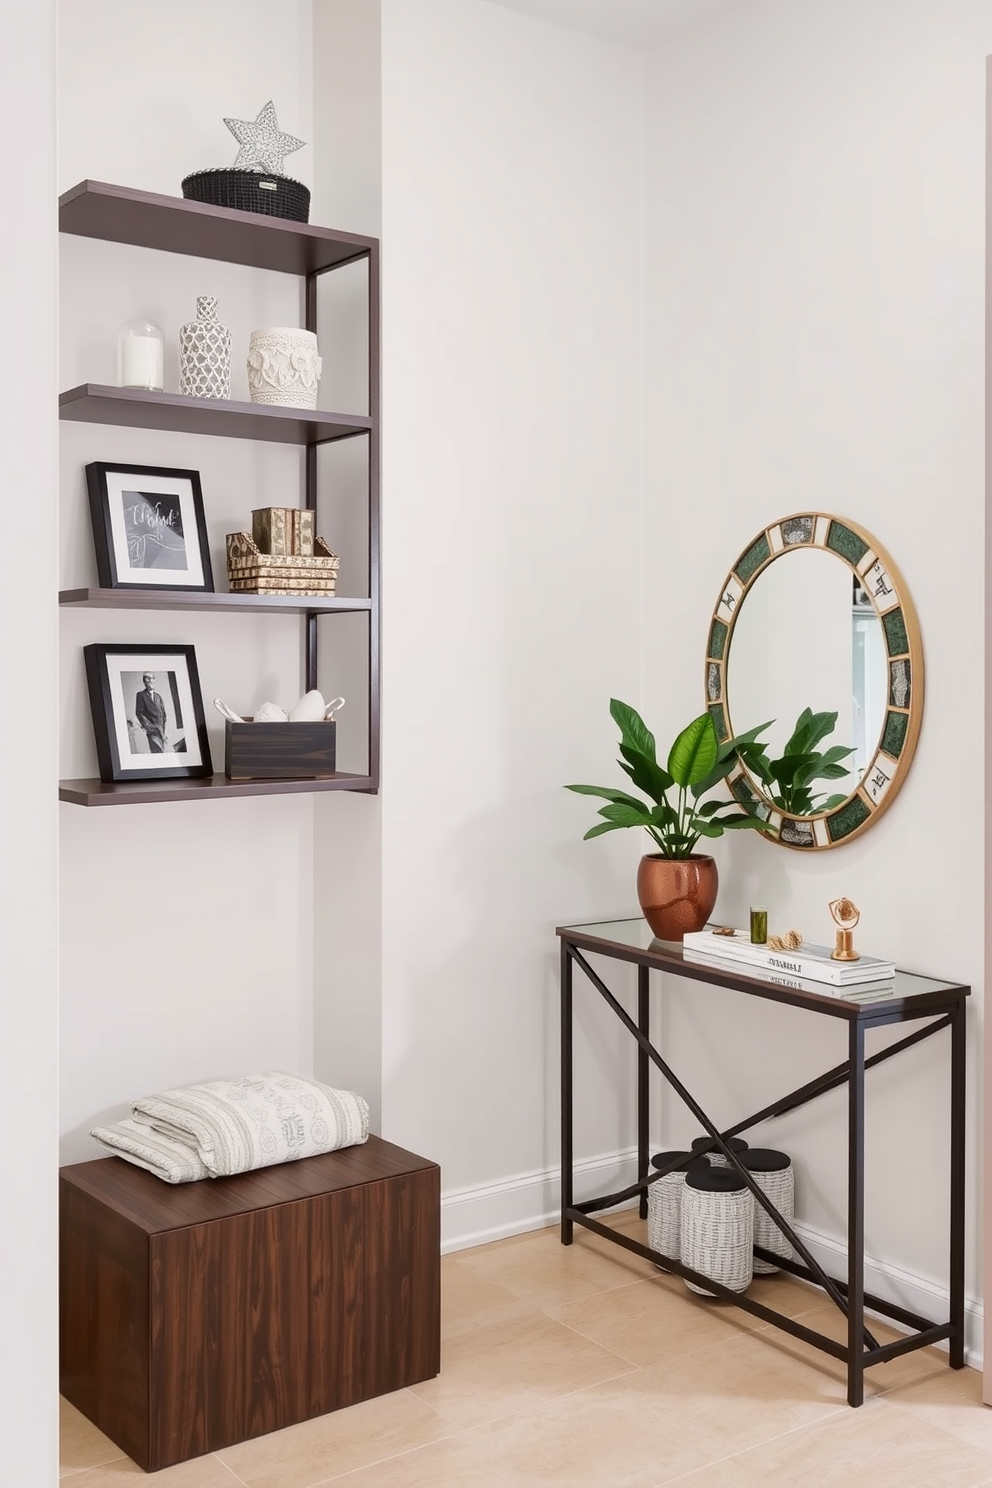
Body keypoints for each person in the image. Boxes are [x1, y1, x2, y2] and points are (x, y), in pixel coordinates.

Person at [134, 673, 168, 752]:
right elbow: (139, 713)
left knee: (165, 753)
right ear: (144, 681)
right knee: (157, 752)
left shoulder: (158, 696)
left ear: (154, 680)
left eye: (151, 678)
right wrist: (151, 728)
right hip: (152, 732)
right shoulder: (140, 695)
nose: (149, 681)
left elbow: (164, 715)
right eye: (147, 678)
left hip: (162, 732)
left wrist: (165, 730)